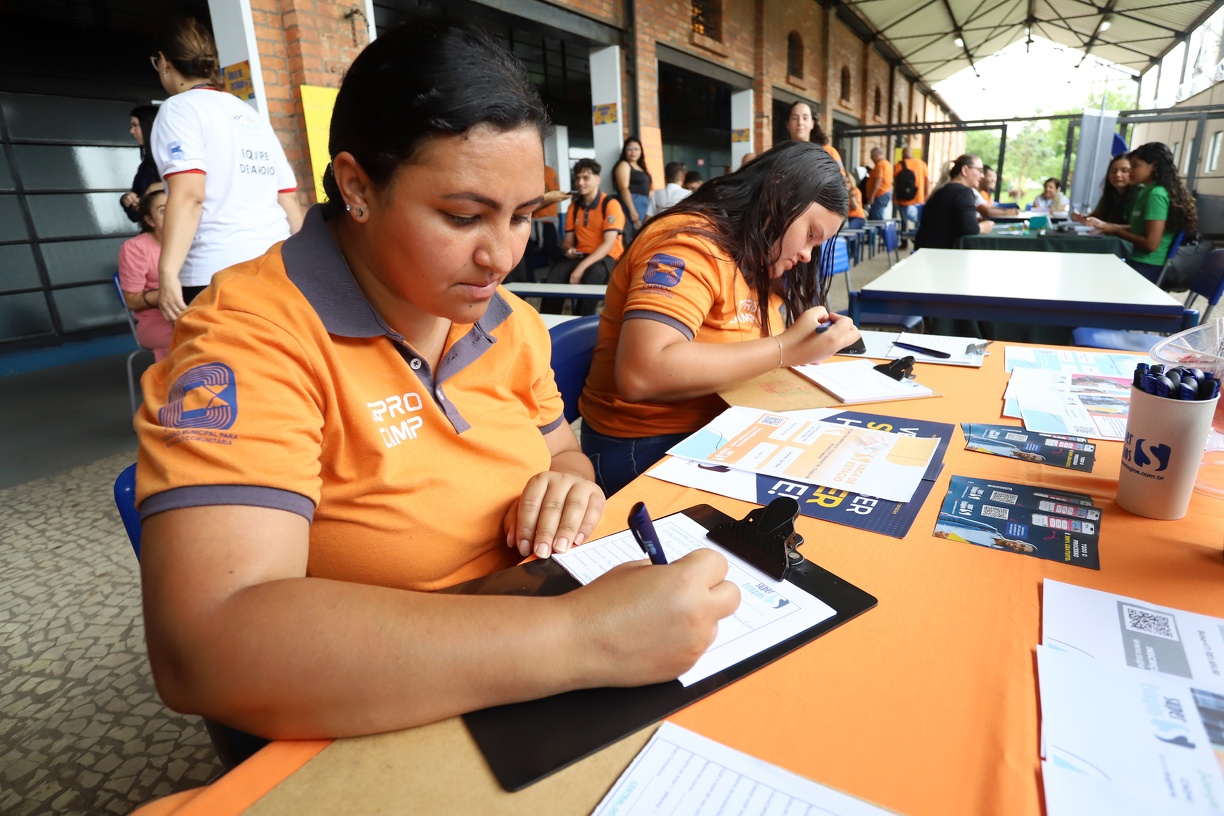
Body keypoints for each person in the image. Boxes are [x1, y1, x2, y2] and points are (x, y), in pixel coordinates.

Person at [133, 23, 737, 743]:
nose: (501, 257)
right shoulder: (252, 337)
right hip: (385, 701)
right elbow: (207, 645)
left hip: (535, 636)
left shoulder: (508, 321)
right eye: (463, 216)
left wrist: (571, 484)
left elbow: (560, 450)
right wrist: (583, 637)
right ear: (357, 187)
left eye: (523, 216)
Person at [578, 141, 860, 495]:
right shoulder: (689, 243)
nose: (806, 254)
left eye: (816, 246)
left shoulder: (754, 256)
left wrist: (800, 348)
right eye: (809, 235)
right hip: (644, 443)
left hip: (716, 427)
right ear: (778, 196)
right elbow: (641, 373)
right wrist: (786, 349)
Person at [150, 17, 304, 324]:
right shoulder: (249, 114)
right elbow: (287, 198)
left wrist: (167, 272)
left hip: (217, 273)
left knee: (222, 356)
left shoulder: (178, 108)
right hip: (278, 264)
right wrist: (305, 261)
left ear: (165, 63)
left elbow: (189, 194)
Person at [1090, 142, 1197, 284]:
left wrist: (1117, 231)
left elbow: (1151, 244)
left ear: (1154, 166)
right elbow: (1138, 227)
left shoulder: (1156, 194)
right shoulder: (1144, 192)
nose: (1130, 171)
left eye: (1135, 166)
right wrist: (1109, 227)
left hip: (1147, 265)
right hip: (1135, 259)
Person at [540, 158, 625, 315]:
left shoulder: (610, 204)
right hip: (581, 255)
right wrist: (569, 250)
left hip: (607, 257)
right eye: (577, 178)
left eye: (586, 178)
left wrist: (580, 268)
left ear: (597, 179)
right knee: (555, 275)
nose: (580, 182)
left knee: (591, 275)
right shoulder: (574, 206)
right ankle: (548, 320)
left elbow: (608, 244)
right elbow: (567, 242)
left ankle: (581, 321)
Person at [117, 185, 174, 360]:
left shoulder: (198, 241)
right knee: (191, 336)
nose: (173, 214)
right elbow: (131, 300)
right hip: (156, 320)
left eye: (176, 207)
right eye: (163, 211)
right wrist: (169, 293)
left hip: (195, 312)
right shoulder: (136, 248)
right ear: (150, 220)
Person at [914, 154, 994, 250]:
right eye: (979, 170)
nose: (982, 176)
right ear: (965, 170)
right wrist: (983, 227)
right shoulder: (963, 192)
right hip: (939, 255)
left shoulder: (943, 189)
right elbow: (970, 228)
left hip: (925, 251)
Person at [120, 104, 161, 222]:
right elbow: (136, 215)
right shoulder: (145, 167)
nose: (131, 131)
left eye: (135, 125)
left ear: (149, 125)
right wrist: (127, 199)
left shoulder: (176, 157)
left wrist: (164, 185)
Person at [1074, 154, 1134, 226]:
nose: (1118, 174)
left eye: (1124, 171)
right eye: (1113, 171)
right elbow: (1097, 216)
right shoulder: (1110, 195)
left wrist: (1105, 226)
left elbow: (1136, 228)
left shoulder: (1138, 195)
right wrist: (1082, 218)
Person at [613, 135, 652, 243]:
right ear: (625, 151)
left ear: (641, 151)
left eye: (636, 149)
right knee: (635, 238)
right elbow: (623, 188)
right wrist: (633, 212)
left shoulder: (641, 167)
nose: (633, 152)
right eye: (629, 148)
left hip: (645, 204)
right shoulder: (624, 164)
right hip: (632, 203)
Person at [893, 147, 928, 235]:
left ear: (903, 154)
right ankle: (917, 237)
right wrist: (926, 194)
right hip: (919, 198)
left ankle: (904, 238)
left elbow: (896, 182)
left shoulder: (899, 165)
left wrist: (895, 196)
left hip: (904, 198)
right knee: (918, 221)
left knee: (904, 221)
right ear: (912, 154)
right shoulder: (921, 164)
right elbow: (927, 180)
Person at [865, 147, 893, 220]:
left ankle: (879, 228)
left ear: (876, 155)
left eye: (872, 157)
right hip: (885, 192)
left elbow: (878, 180)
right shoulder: (887, 163)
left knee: (876, 217)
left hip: (880, 194)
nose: (872, 160)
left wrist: (872, 195)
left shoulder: (880, 164)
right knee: (873, 216)